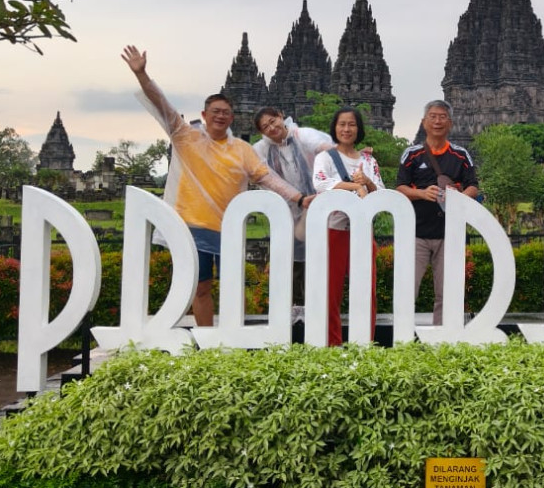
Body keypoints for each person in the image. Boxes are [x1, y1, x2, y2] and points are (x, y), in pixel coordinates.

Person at [122, 45, 312, 326]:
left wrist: (299, 198)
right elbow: (162, 106)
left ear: (232, 118)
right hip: (191, 225)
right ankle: (208, 339)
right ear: (205, 113)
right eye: (215, 111)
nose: (220, 116)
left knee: (233, 286)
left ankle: (232, 340)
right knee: (200, 287)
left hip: (228, 227)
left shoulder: (242, 149)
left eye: (226, 112)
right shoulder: (186, 137)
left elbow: (268, 178)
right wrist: (142, 75)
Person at [395, 100, 479, 325]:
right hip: (417, 232)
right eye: (433, 116)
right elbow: (400, 188)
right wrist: (422, 193)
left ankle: (442, 339)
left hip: (448, 232)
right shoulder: (412, 154)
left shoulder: (460, 155)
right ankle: (403, 337)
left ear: (450, 123)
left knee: (446, 292)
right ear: (424, 122)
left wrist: (458, 198)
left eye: (442, 117)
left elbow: (473, 185)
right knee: (408, 289)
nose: (437, 121)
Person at [312, 106, 384, 345]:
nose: (346, 129)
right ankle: (332, 345)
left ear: (358, 129)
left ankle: (365, 343)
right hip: (334, 231)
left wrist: (367, 182)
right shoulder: (325, 158)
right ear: (334, 128)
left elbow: (381, 193)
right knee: (330, 292)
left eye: (351, 124)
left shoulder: (368, 160)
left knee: (366, 291)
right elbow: (321, 183)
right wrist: (355, 187)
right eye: (341, 124)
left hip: (362, 233)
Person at [253, 107, 333, 306]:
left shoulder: (301, 134)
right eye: (265, 127)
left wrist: (347, 155)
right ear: (261, 132)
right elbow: (264, 176)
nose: (271, 128)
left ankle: (317, 305)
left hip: (316, 204)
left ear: (281, 116)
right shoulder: (261, 149)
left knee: (317, 256)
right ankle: (293, 307)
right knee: (290, 259)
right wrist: (297, 198)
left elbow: (322, 147)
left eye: (273, 121)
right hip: (286, 209)